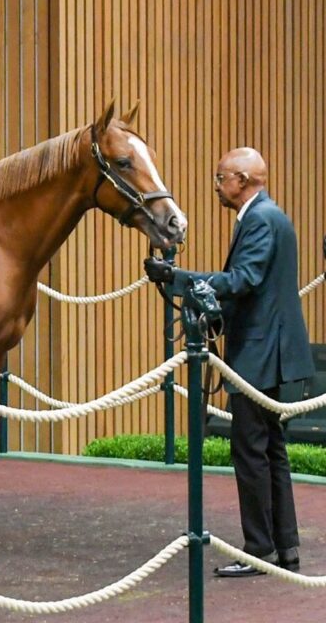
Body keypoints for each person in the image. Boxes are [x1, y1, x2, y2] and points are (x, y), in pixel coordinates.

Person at [144, 147, 313, 577]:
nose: (217, 186)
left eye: (220, 178)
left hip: (259, 354)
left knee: (252, 451)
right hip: (269, 352)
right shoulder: (269, 216)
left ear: (242, 180)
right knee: (270, 451)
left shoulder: (259, 219)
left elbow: (245, 281)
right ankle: (283, 548)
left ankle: (259, 549)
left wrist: (178, 279)